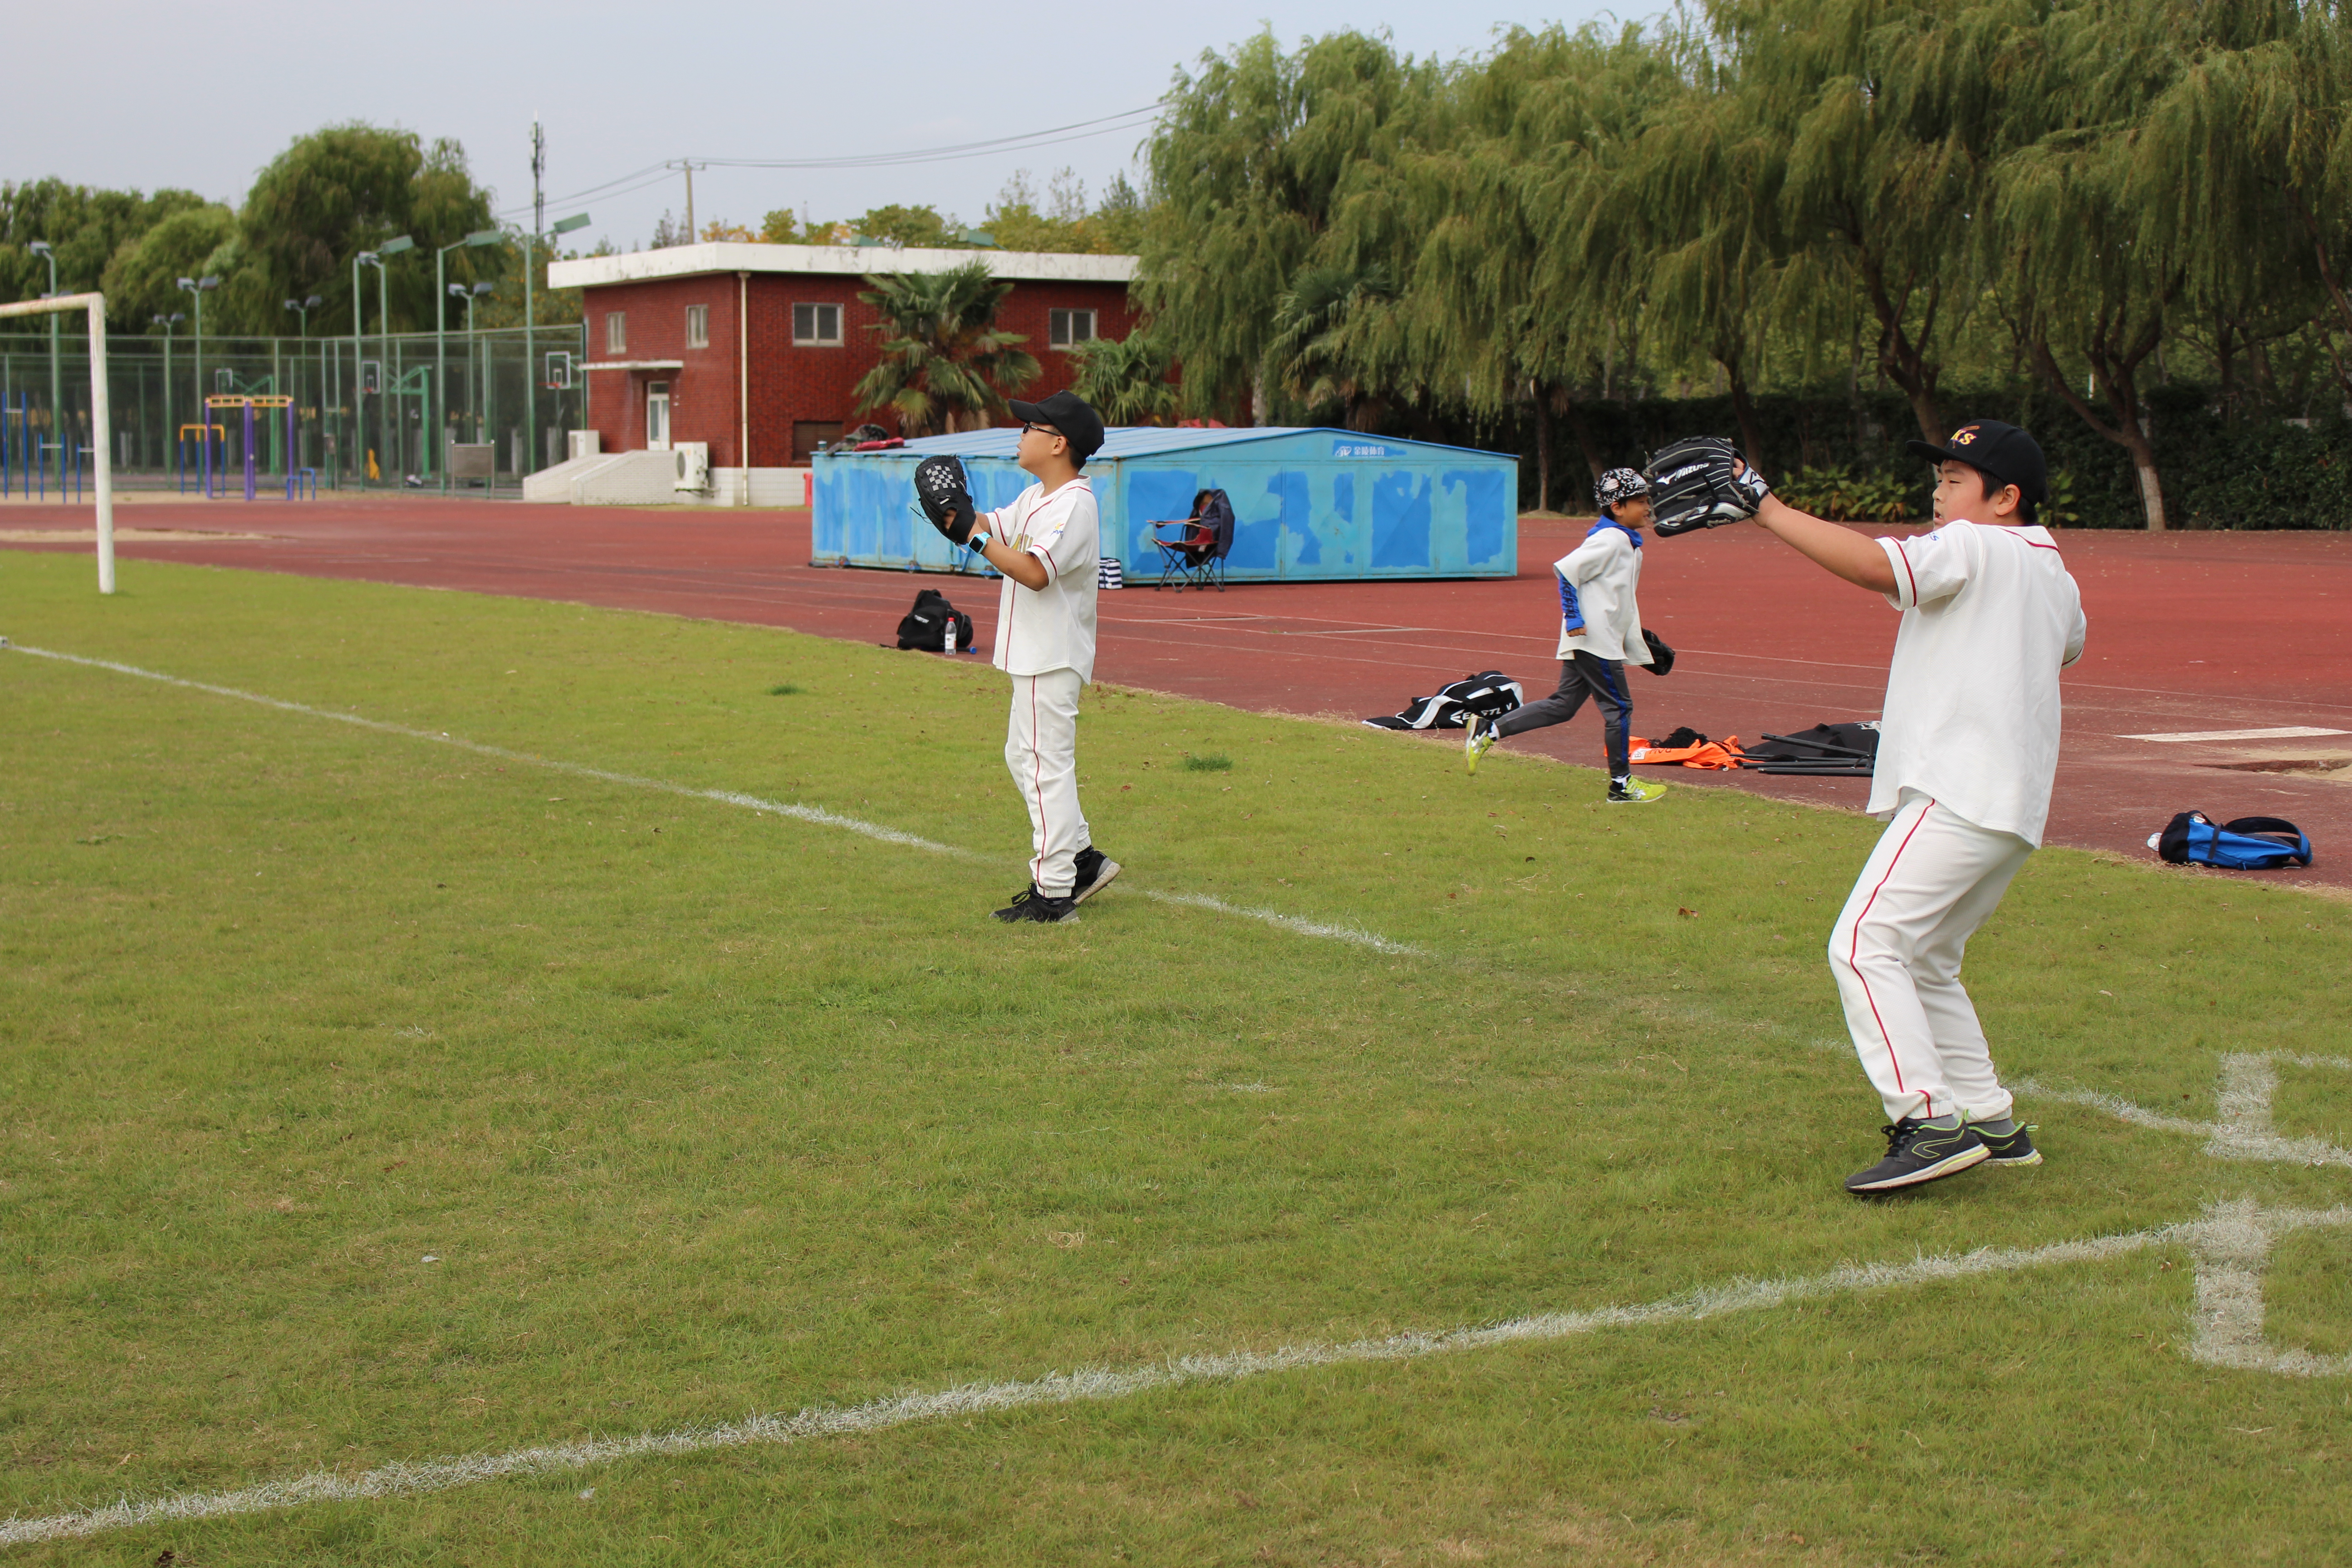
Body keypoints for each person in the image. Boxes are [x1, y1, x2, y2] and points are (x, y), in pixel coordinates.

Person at [1745, 420, 2087, 1194]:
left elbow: (1876, 566)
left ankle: (1928, 1121)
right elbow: (2068, 644)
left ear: (2006, 498)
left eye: (1955, 481)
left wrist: (1762, 506)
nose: (1937, 493)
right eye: (1937, 479)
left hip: (1961, 788)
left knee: (1862, 944)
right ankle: (1990, 1122)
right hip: (2010, 806)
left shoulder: (1976, 545)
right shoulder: (2051, 572)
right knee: (1927, 959)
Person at [957, 390, 1119, 923]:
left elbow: (1033, 571)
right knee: (1023, 758)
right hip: (1034, 654)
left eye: (1030, 426)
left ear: (1058, 442)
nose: (1021, 433)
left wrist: (972, 539)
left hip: (1052, 654)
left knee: (1047, 767)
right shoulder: (1037, 497)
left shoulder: (1074, 504)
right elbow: (992, 526)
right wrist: (956, 512)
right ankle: (1083, 858)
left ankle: (1054, 893)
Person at [1465, 468, 1668, 804]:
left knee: (1563, 706)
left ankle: (1490, 730)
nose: (1647, 507)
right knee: (1619, 708)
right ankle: (1621, 785)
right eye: (1641, 501)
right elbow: (1567, 571)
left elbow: (1612, 597)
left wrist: (1637, 637)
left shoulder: (1625, 542)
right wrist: (1573, 617)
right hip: (1593, 639)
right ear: (1617, 507)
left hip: (1594, 638)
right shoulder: (1611, 539)